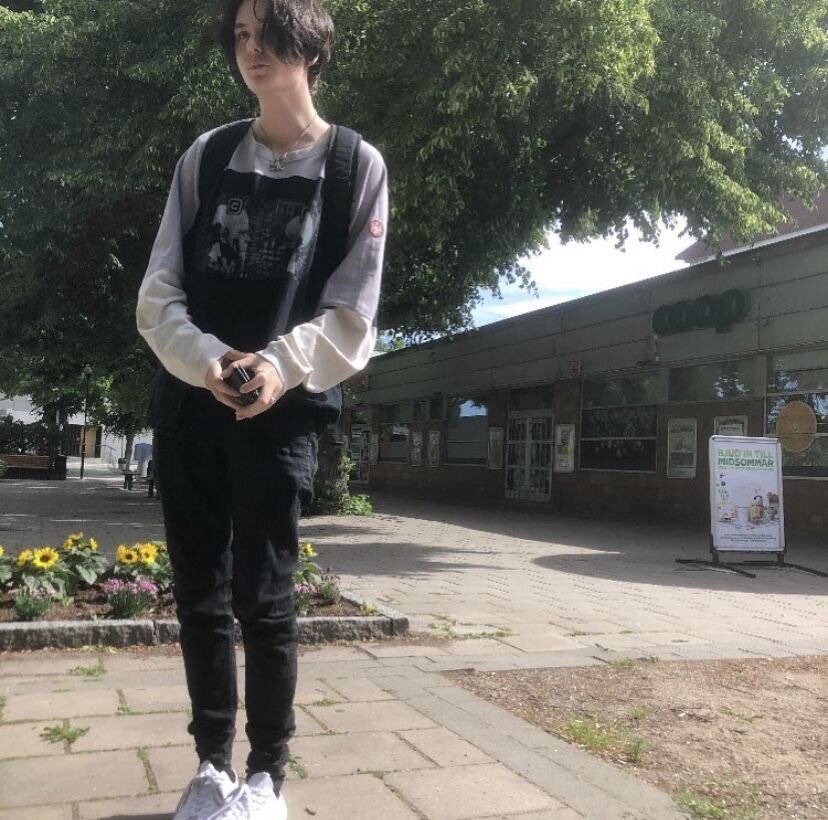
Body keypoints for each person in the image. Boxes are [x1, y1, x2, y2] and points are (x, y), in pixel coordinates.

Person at [136, 0, 388, 816]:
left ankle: (266, 776)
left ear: (309, 43)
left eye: (269, 33)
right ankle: (211, 767)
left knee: (267, 596)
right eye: (241, 35)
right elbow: (158, 292)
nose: (252, 49)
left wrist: (278, 366)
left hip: (281, 419)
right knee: (199, 594)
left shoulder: (354, 165)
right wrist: (208, 361)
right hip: (191, 408)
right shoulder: (207, 157)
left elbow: (353, 313)